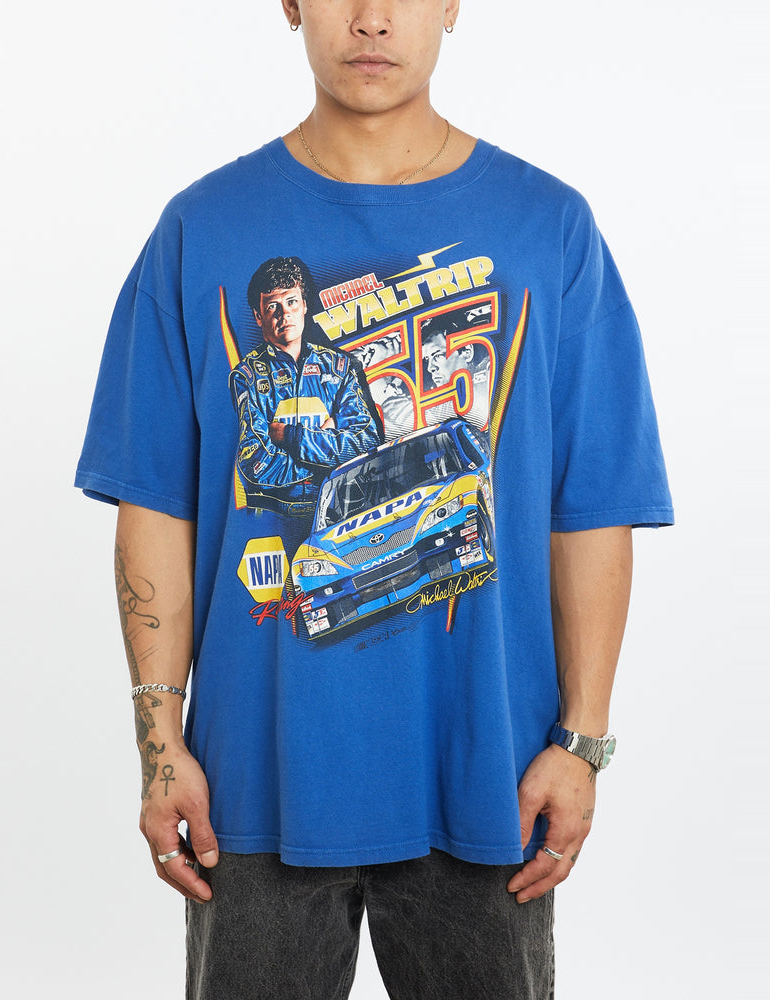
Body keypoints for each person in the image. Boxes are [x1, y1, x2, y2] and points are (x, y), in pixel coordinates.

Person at [75, 2, 673, 998]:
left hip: (488, 778)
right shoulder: (200, 230)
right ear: (290, 5)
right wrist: (160, 743)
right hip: (252, 785)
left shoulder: (547, 227)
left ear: (451, 5)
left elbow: (591, 506)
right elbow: (157, 506)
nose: (371, 18)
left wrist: (581, 741)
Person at [229, 256, 381, 517]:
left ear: (304, 306)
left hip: (342, 511)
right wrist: (329, 459)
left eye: (291, 302)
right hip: (275, 517)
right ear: (258, 316)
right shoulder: (247, 376)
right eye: (273, 306)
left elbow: (366, 443)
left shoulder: (340, 367)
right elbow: (255, 464)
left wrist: (290, 437)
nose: (284, 314)